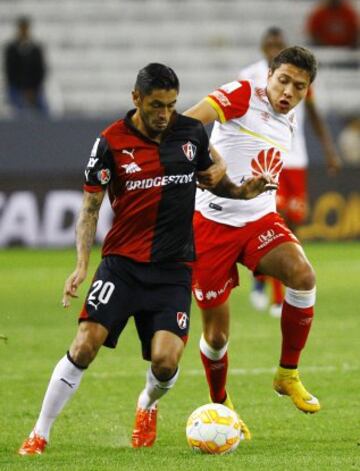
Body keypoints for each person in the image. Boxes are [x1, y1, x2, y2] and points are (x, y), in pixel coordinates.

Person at [18, 63, 275, 455]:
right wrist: (82, 265)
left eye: (171, 105)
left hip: (173, 270)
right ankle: (39, 433)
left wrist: (244, 192)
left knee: (166, 363)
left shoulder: (189, 133)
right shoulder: (110, 141)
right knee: (85, 344)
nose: (164, 115)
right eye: (157, 105)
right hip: (122, 265)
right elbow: (90, 208)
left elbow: (216, 182)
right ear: (136, 98)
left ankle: (147, 404)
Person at [184, 47, 322, 433]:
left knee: (303, 277)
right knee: (217, 335)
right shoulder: (243, 93)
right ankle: (221, 403)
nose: (289, 92)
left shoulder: (289, 119)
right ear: (269, 76)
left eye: (299, 87)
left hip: (258, 219)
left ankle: (287, 374)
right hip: (211, 225)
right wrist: (214, 163)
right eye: (283, 81)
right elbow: (188, 124)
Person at [238, 27, 341, 317]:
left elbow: (315, 114)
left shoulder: (299, 76)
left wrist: (329, 150)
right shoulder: (249, 75)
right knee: (274, 223)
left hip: (298, 159)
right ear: (263, 48)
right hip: (268, 159)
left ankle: (263, 279)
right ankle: (276, 296)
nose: (274, 48)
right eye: (270, 44)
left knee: (294, 225)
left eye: (278, 44)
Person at [3, 16, 47, 115]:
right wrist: (23, 90)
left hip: (34, 90)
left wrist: (32, 89)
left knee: (44, 111)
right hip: (16, 89)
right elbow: (10, 71)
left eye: (25, 28)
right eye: (22, 28)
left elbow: (40, 70)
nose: (24, 31)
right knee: (16, 110)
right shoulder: (11, 49)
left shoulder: (36, 49)